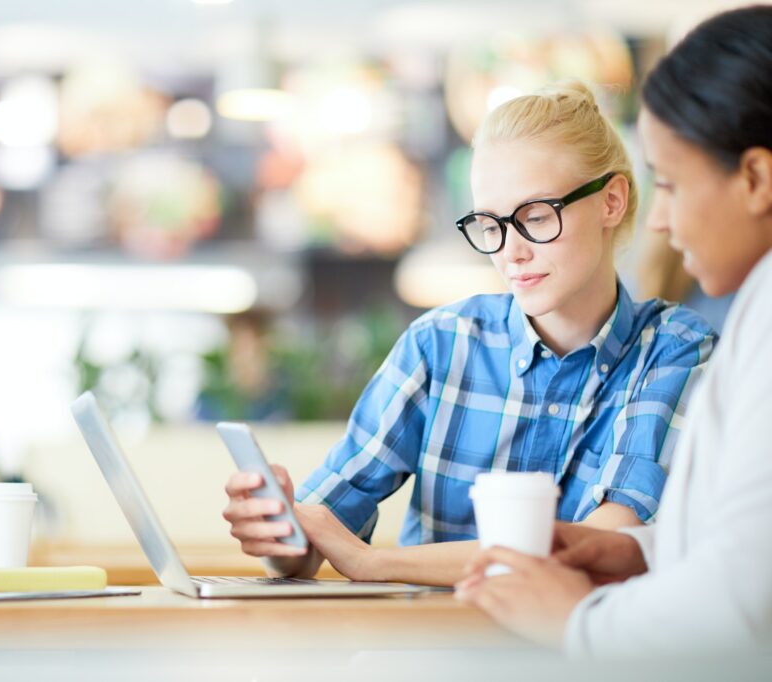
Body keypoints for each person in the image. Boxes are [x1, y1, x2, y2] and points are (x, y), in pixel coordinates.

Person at [222, 81, 717, 585]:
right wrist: (280, 531)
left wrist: (375, 563)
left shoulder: (675, 351)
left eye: (536, 216)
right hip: (437, 659)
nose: (510, 252)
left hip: (583, 660)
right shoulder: (440, 343)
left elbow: (602, 549)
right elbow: (308, 549)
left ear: (611, 201)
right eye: (491, 224)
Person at [455, 5, 772, 656]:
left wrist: (578, 619)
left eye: (672, 184)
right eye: (491, 223)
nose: (658, 221)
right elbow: (745, 544)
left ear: (756, 179)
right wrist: (632, 550)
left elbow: (742, 599)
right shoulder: (756, 306)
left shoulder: (699, 339)